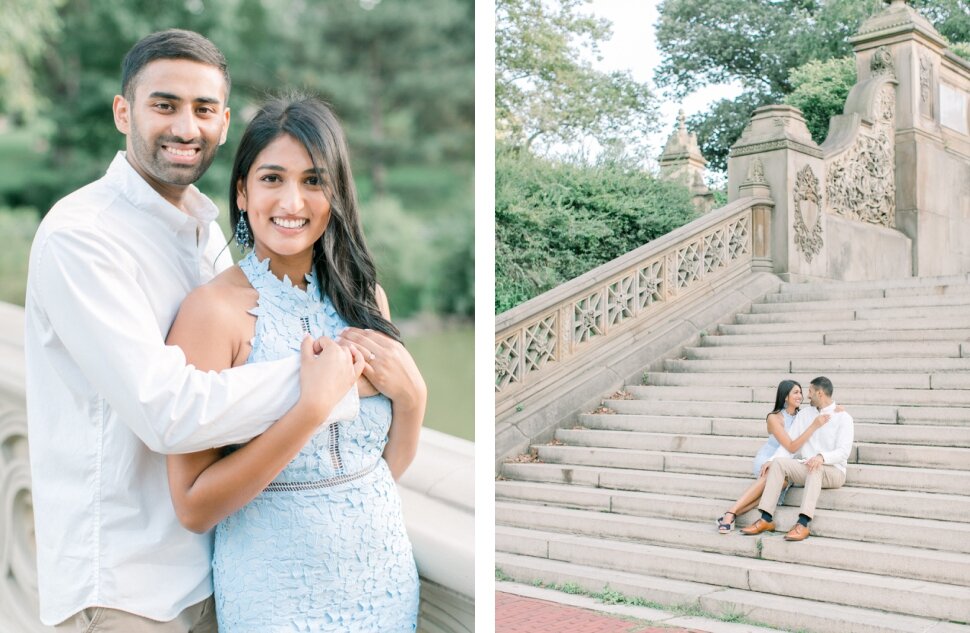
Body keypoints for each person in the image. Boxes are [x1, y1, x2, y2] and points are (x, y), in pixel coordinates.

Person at [25, 30, 357, 632]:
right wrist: (324, 382)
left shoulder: (208, 233)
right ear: (123, 111)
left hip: (216, 575)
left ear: (225, 122)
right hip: (123, 585)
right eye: (164, 105)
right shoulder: (82, 236)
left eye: (203, 109)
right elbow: (167, 411)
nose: (186, 126)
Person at [165, 94, 425, 632]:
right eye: (272, 179)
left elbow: (379, 470)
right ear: (241, 192)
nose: (292, 200)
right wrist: (310, 409)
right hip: (275, 593)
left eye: (313, 180)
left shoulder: (364, 298)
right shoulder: (213, 313)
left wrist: (413, 397)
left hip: (384, 579)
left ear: (337, 193)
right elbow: (192, 507)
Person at [716, 380, 838, 533]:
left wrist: (835, 408)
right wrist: (771, 461)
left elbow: (824, 408)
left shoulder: (803, 415)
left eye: (801, 392)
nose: (801, 396)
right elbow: (791, 446)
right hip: (771, 457)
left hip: (790, 461)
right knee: (770, 479)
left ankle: (732, 514)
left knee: (772, 491)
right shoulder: (774, 418)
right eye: (796, 392)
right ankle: (730, 513)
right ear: (785, 396)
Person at [741, 376, 854, 541]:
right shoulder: (806, 414)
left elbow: (844, 452)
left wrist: (822, 457)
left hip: (834, 471)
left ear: (820, 393)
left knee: (815, 467)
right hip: (807, 466)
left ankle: (803, 523)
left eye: (810, 392)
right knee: (779, 463)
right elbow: (790, 444)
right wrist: (772, 460)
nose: (807, 396)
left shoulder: (843, 418)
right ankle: (766, 519)